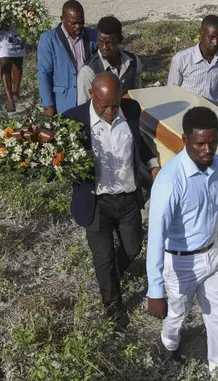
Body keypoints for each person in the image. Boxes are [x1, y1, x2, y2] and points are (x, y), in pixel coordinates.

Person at [63, 72, 160, 329]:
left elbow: (138, 141)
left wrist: (152, 165)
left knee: (132, 248)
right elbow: (55, 155)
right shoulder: (73, 120)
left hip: (128, 198)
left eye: (114, 104)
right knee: (103, 259)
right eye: (103, 105)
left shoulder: (130, 109)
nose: (109, 111)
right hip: (97, 202)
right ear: (91, 95)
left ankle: (110, 276)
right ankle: (114, 308)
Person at [146, 107, 218, 381]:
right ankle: (167, 344)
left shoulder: (217, 165)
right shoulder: (170, 182)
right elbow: (156, 237)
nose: (208, 150)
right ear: (184, 139)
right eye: (200, 144)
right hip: (180, 263)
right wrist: (155, 290)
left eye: (213, 142)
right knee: (177, 316)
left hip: (213, 255)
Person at [38, 1, 97, 116]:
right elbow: (44, 73)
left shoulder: (92, 35)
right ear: (62, 19)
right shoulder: (48, 39)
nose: (78, 26)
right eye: (73, 23)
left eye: (81, 22)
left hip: (89, 99)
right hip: (64, 102)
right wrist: (48, 104)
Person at [167, 15, 218, 106]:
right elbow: (171, 93)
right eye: (211, 37)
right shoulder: (181, 60)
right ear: (201, 33)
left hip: (213, 115)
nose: (215, 43)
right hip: (188, 115)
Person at [77, 16, 142, 105]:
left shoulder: (133, 61)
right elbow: (84, 108)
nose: (104, 47)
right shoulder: (88, 72)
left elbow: (138, 94)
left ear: (120, 39)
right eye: (100, 42)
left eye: (109, 43)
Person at [0, 26, 25, 113]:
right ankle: (9, 99)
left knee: (17, 63)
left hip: (17, 28)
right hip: (0, 30)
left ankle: (15, 92)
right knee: (4, 63)